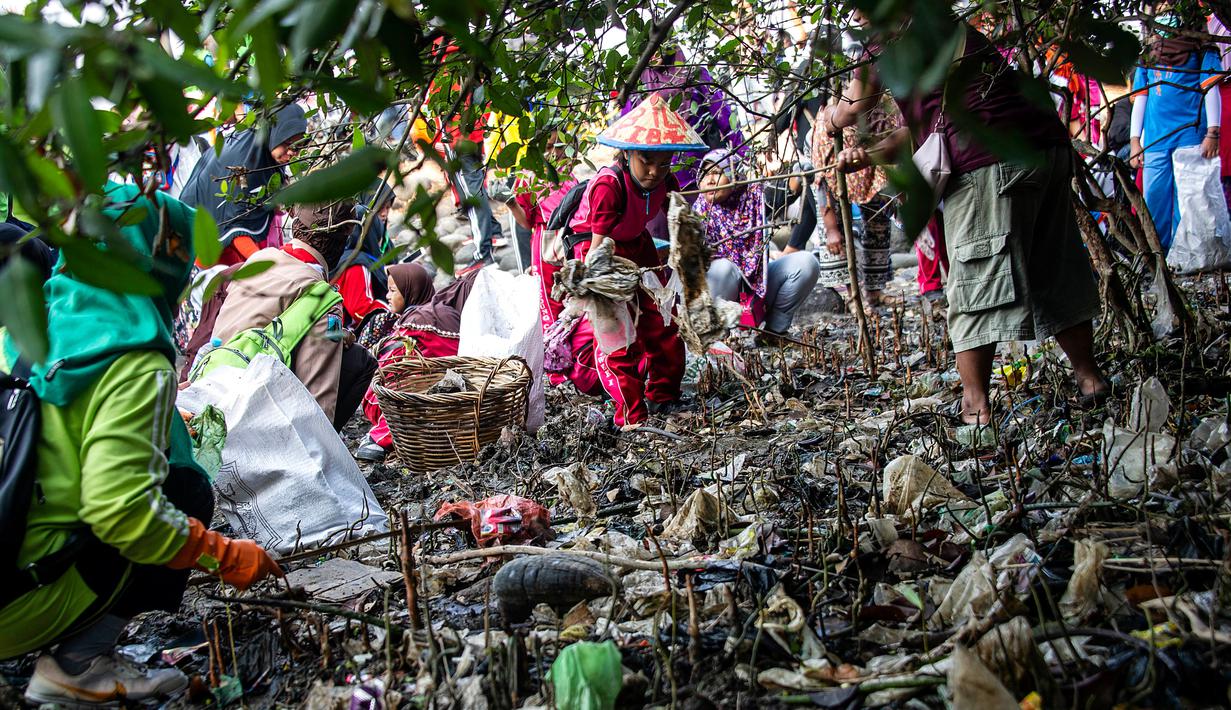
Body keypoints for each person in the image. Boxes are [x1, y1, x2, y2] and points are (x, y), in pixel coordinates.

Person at [0, 183, 281, 706]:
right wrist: (221, 554)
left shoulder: (23, 322)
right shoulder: (135, 363)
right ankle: (79, 666)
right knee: (184, 490)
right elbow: (120, 510)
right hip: (15, 603)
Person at [824, 11, 1108, 426]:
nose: (855, 13)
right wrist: (865, 155)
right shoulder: (944, 27)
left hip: (988, 162)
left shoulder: (887, 36)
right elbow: (924, 128)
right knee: (1053, 266)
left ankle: (975, 409)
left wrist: (828, 119)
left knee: (974, 283)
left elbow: (855, 105)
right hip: (1043, 148)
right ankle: (1091, 381)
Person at [560, 93, 694, 428]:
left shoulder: (666, 180)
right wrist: (595, 287)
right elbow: (598, 246)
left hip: (638, 245)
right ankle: (632, 416)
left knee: (662, 322)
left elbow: (681, 217)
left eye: (664, 163)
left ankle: (664, 395)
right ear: (629, 153)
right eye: (646, 161)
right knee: (617, 336)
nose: (654, 171)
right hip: (600, 253)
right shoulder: (609, 185)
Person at [210, 201, 377, 430]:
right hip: (258, 414)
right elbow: (319, 390)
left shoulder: (260, 260)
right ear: (341, 242)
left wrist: (340, 337)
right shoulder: (322, 297)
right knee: (359, 360)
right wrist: (321, 444)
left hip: (214, 383)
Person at [356, 266, 478, 462]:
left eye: (393, 290)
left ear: (410, 290)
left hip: (412, 400)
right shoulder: (434, 314)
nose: (387, 296)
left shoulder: (420, 320)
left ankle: (382, 436)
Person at [693, 149, 820, 333]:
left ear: (734, 174)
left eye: (717, 173)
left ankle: (774, 332)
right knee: (723, 267)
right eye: (705, 174)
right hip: (718, 298)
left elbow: (783, 191)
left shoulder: (753, 198)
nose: (710, 180)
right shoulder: (696, 214)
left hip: (756, 290)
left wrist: (798, 178)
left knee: (807, 264)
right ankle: (716, 338)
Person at [1129, 4, 1222, 250]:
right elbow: (1141, 97)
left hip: (1191, 137)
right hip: (1156, 141)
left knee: (1188, 203)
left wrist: (1213, 132)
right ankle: (1159, 257)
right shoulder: (1147, 54)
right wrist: (1135, 140)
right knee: (1155, 202)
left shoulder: (1203, 50)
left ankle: (1184, 257)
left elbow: (1211, 88)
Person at [179, 104, 307, 265]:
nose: (292, 152)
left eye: (298, 147)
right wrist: (267, 268)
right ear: (275, 132)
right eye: (287, 143)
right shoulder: (246, 161)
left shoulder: (266, 148)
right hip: (204, 243)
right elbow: (235, 227)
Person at [812, 94, 902, 310]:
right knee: (834, 236)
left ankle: (874, 291)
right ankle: (853, 296)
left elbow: (897, 149)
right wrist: (832, 229)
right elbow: (822, 181)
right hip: (836, 171)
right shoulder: (826, 128)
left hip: (872, 167)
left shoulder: (884, 114)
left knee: (879, 225)